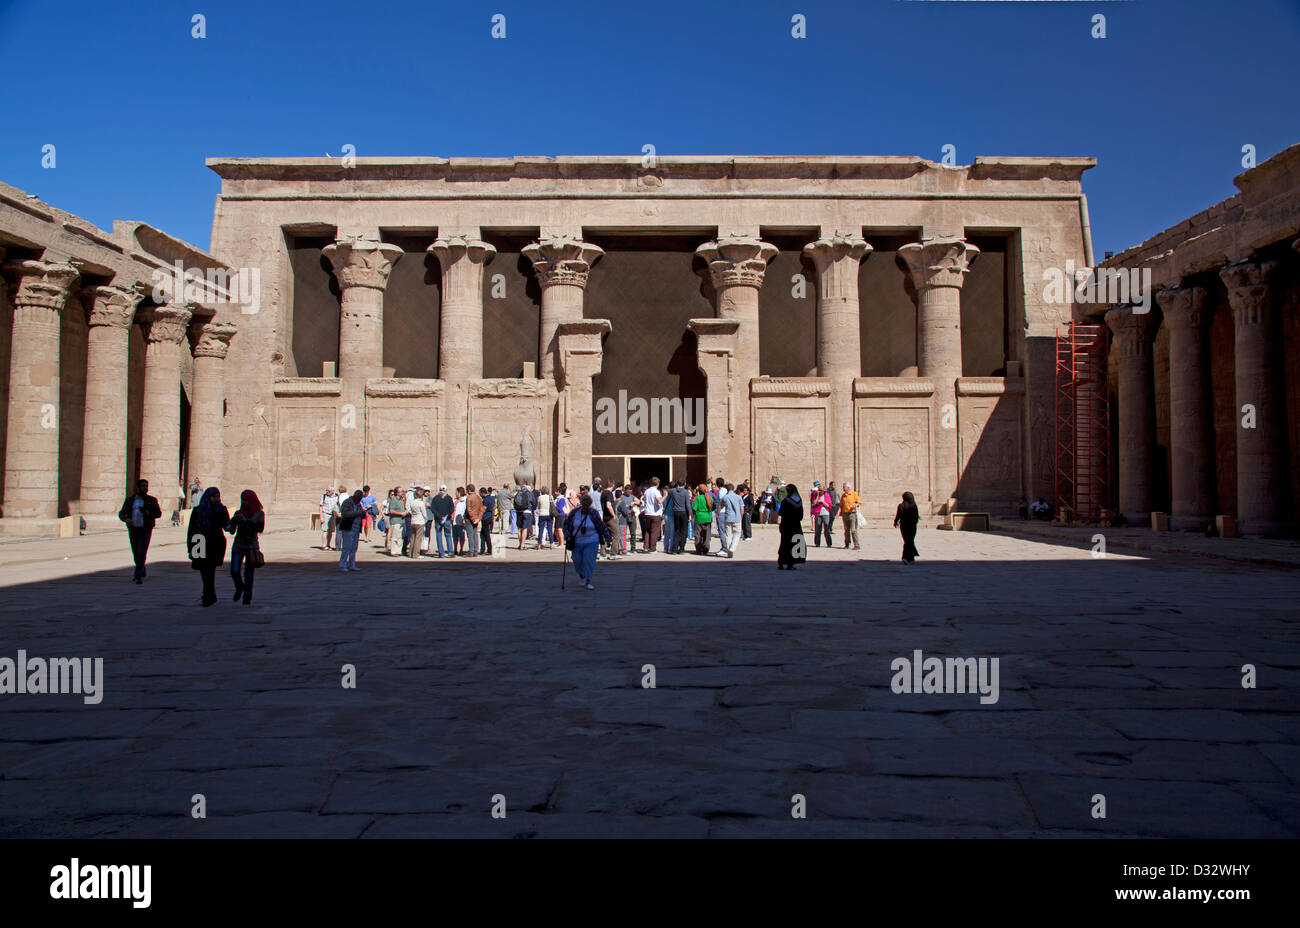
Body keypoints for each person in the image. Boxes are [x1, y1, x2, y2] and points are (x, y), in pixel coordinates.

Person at [186, 486, 230, 606]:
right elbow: (191, 530)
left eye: (217, 497)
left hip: (214, 543)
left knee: (210, 570)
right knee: (203, 570)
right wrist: (190, 548)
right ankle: (210, 594)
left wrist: (234, 522)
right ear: (207, 497)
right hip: (199, 541)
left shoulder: (221, 510)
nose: (216, 499)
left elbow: (227, 527)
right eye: (213, 497)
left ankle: (207, 596)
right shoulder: (198, 510)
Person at [118, 478, 162, 584]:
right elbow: (121, 513)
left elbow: (158, 514)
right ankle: (141, 569)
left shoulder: (152, 500)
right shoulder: (130, 500)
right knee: (136, 552)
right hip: (133, 529)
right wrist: (126, 519)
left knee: (142, 551)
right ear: (138, 487)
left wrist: (148, 513)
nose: (145, 488)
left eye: (146, 486)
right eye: (143, 486)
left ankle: (137, 576)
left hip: (145, 529)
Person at [564, 492, 611, 591]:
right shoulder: (575, 513)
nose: (585, 507)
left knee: (588, 560)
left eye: (587, 505)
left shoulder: (593, 513)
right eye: (583, 505)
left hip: (592, 540)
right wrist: (567, 535)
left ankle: (588, 581)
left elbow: (600, 525)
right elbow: (567, 524)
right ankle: (582, 576)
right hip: (577, 541)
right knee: (577, 560)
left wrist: (607, 537)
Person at [226, 489, 265, 602]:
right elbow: (231, 530)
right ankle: (239, 586)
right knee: (234, 570)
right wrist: (232, 522)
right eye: (243, 500)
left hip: (251, 547)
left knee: (248, 573)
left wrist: (247, 521)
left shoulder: (259, 513)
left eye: (247, 500)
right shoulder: (238, 513)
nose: (244, 503)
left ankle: (247, 595)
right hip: (238, 545)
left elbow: (260, 528)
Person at [777, 483, 806, 570]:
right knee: (794, 544)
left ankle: (781, 563)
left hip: (786, 524)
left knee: (785, 543)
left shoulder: (785, 501)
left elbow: (781, 513)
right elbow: (801, 515)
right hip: (795, 525)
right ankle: (790, 563)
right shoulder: (799, 501)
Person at [338, 489, 364, 571]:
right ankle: (343, 564)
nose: (359, 500)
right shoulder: (347, 502)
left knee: (354, 548)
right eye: (359, 498)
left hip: (356, 528)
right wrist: (358, 513)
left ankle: (352, 564)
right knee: (347, 547)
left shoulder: (358, 504)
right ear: (355, 496)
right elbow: (345, 514)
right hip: (348, 527)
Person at [894, 491, 920, 564]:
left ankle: (910, 557)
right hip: (912, 526)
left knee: (908, 541)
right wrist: (914, 523)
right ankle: (907, 557)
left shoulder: (901, 506)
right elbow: (916, 517)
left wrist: (895, 522)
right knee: (909, 541)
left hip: (904, 526)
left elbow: (898, 515)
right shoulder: (914, 506)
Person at [429, 484, 454, 557]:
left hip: (438, 519)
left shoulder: (435, 498)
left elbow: (433, 509)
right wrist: (446, 516)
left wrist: (440, 516)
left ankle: (441, 553)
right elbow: (451, 509)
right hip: (447, 519)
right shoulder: (449, 498)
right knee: (448, 535)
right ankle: (450, 552)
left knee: (439, 535)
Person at [641, 477, 663, 553]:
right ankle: (652, 548)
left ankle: (646, 546)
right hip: (655, 513)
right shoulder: (656, 491)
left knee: (648, 530)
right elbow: (659, 501)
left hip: (647, 512)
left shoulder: (647, 491)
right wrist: (665, 496)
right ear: (658, 483)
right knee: (655, 531)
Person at [721, 483, 743, 558]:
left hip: (728, 517)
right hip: (737, 518)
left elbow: (720, 507)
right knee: (737, 534)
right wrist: (741, 516)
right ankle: (732, 548)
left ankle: (729, 550)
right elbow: (742, 508)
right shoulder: (738, 497)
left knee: (728, 534)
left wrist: (717, 514)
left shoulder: (725, 497)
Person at [692, 483, 714, 555]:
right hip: (708, 517)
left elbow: (694, 508)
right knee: (706, 535)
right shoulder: (710, 498)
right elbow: (713, 507)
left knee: (698, 534)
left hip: (699, 517)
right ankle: (706, 549)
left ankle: (698, 549)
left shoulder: (698, 498)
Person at [670, 480, 691, 554]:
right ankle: (681, 549)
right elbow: (688, 505)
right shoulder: (685, 492)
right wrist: (690, 514)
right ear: (684, 484)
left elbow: (666, 490)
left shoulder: (673, 491)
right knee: (684, 531)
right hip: (684, 512)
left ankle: (675, 549)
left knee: (677, 531)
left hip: (676, 512)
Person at [840, 481, 862, 550]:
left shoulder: (854, 494)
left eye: (844, 487)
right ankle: (847, 544)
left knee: (853, 530)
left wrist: (856, 504)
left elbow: (859, 502)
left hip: (852, 514)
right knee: (846, 530)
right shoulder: (843, 495)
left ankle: (857, 545)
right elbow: (841, 505)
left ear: (848, 487)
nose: (843, 488)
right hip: (845, 514)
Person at [810, 481, 834, 547]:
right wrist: (817, 496)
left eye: (820, 490)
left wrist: (822, 502)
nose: (819, 491)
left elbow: (828, 505)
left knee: (826, 528)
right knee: (818, 528)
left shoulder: (827, 496)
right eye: (818, 490)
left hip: (825, 513)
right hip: (818, 513)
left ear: (823, 491)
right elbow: (814, 503)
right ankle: (817, 543)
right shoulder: (816, 495)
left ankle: (829, 543)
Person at [407, 486, 428, 558]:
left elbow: (410, 510)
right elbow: (424, 513)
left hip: (413, 521)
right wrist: (426, 519)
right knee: (418, 539)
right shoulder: (421, 503)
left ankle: (410, 553)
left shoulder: (412, 502)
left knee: (413, 538)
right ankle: (416, 554)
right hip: (420, 521)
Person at [514, 483, 536, 550]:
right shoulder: (529, 493)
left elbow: (514, 502)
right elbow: (534, 503)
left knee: (519, 529)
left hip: (519, 512)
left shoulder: (518, 493)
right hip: (527, 511)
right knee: (524, 528)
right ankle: (522, 545)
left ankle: (520, 544)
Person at [387, 486, 407, 556]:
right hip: (395, 521)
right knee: (394, 536)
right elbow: (391, 511)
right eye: (401, 491)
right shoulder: (393, 500)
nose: (402, 492)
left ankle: (398, 551)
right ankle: (393, 551)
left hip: (401, 521)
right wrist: (400, 513)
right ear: (397, 493)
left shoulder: (401, 500)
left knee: (400, 537)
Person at [465, 484, 483, 556]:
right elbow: (481, 509)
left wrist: (472, 519)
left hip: (470, 519)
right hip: (476, 518)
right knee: (475, 534)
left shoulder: (469, 498)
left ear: (469, 490)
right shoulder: (479, 497)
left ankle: (471, 551)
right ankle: (476, 551)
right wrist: (478, 518)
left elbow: (468, 510)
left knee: (470, 535)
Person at [479, 486, 495, 556]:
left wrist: (479, 517)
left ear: (483, 493)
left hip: (485, 517)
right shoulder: (491, 498)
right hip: (489, 517)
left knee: (486, 534)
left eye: (480, 493)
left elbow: (483, 509)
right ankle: (482, 549)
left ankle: (489, 549)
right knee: (482, 534)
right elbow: (494, 506)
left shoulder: (485, 500)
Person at [453, 487, 468, 555]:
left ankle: (461, 549)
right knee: (455, 536)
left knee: (462, 536)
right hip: (454, 521)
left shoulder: (465, 500)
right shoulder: (454, 500)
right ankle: (455, 549)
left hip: (461, 521)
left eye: (456, 492)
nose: (455, 493)